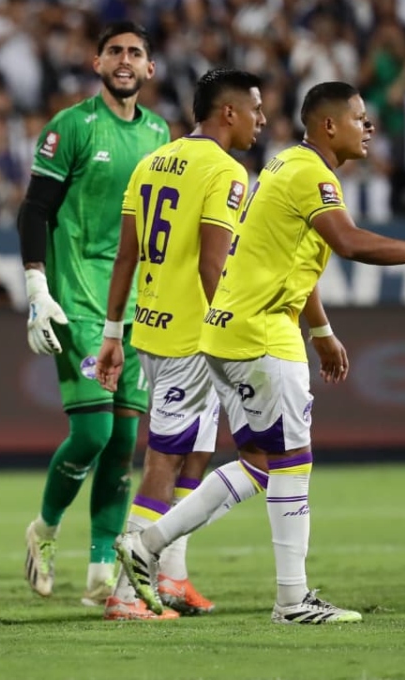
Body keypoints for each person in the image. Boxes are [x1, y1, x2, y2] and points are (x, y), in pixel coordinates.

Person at [117, 81, 405, 624]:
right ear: (329, 126)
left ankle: (147, 544)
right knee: (293, 462)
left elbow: (290, 256)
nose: (370, 127)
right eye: (360, 118)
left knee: (261, 464)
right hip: (261, 333)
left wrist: (322, 331)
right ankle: (291, 600)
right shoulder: (312, 175)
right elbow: (350, 242)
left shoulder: (285, 166)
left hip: (226, 331)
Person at [94, 68, 272, 619]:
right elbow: (212, 263)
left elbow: (126, 255)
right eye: (256, 109)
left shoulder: (152, 162)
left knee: (196, 452)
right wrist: (237, 334)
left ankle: (171, 577)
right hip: (193, 339)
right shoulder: (226, 171)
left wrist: (112, 332)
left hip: (152, 327)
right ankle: (127, 595)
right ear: (228, 113)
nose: (261, 120)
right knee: (165, 461)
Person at [17, 21, 170, 609]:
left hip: (138, 309)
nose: (125, 60)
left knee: (124, 442)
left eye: (135, 52)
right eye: (115, 51)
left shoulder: (160, 133)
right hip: (78, 301)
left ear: (150, 68)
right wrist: (37, 288)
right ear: (97, 62)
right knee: (94, 431)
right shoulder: (71, 128)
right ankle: (45, 529)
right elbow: (35, 210)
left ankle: (102, 572)